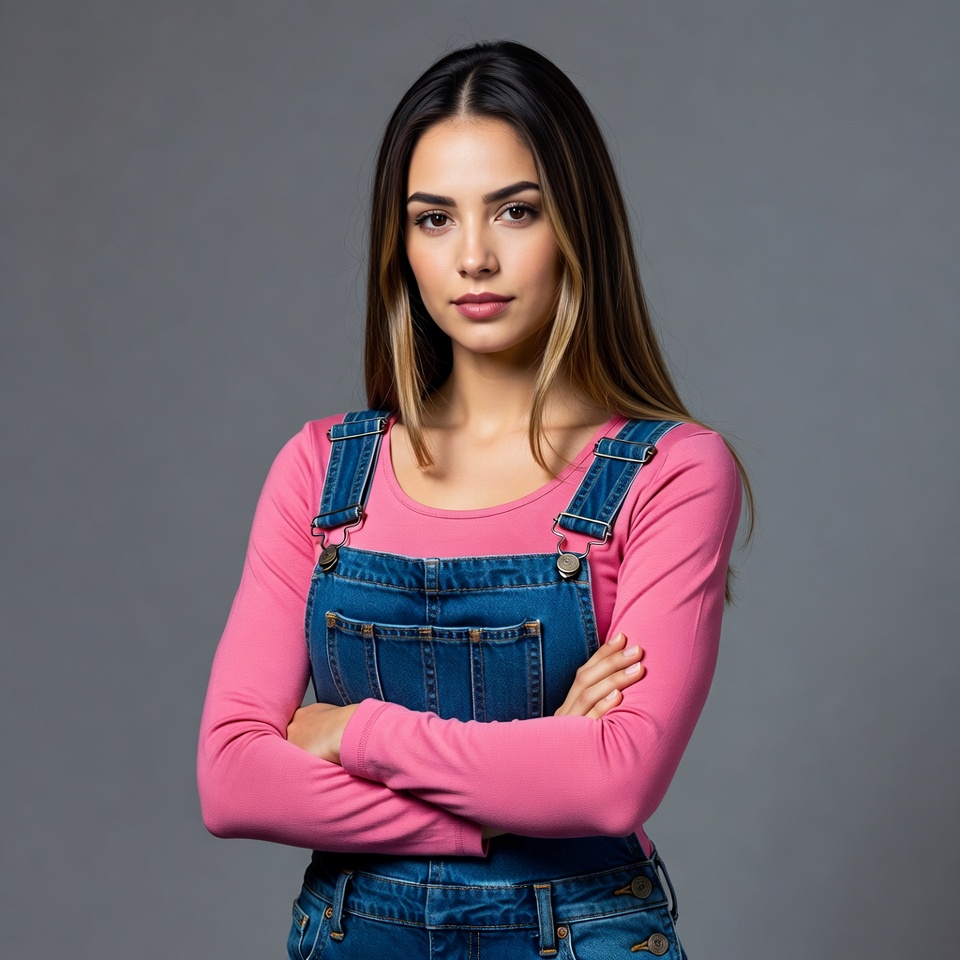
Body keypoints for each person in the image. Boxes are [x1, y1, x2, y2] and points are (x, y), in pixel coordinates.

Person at [198, 40, 751, 960]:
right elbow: (232, 782)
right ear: (400, 242)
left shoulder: (674, 473)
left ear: (577, 224)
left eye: (516, 211)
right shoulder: (321, 472)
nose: (476, 257)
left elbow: (609, 788)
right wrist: (506, 799)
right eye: (434, 219)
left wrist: (352, 732)